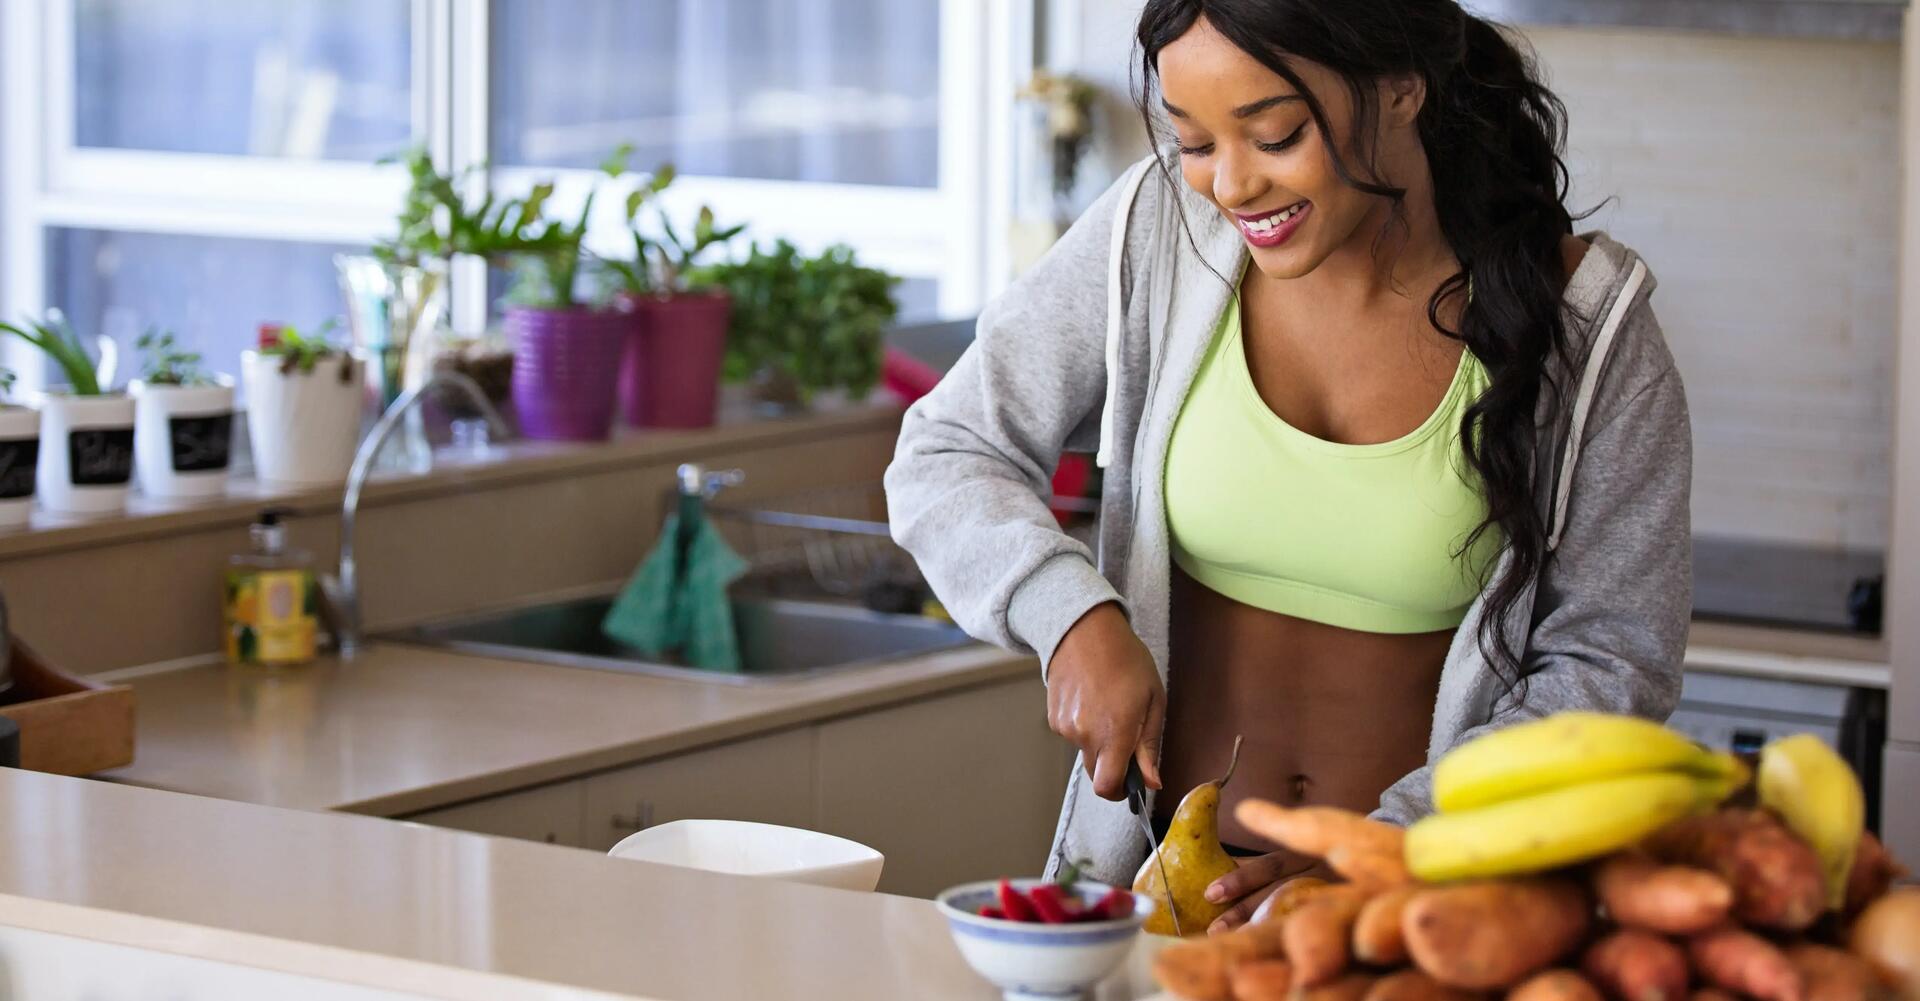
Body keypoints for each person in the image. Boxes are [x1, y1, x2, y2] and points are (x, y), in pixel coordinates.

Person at [885, 0, 1691, 933]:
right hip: (1165, 906)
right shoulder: (1157, 229)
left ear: (1399, 89)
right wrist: (1071, 615)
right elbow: (949, 448)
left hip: (1424, 915)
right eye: (1192, 141)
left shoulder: (1587, 328)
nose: (1230, 185)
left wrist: (1389, 851)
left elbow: (1612, 667)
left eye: (1274, 135)